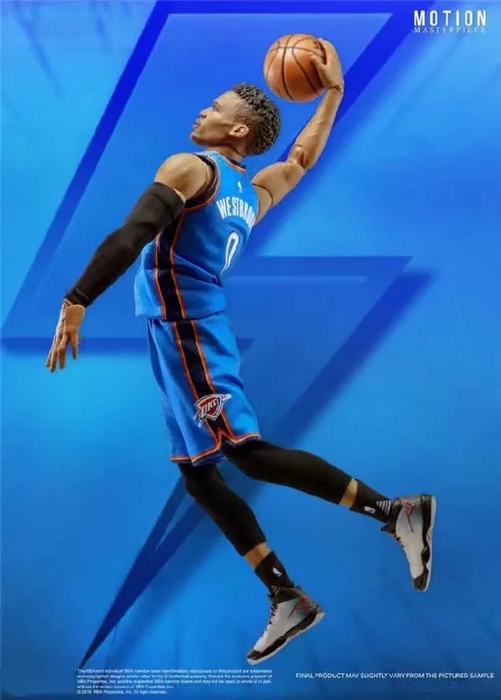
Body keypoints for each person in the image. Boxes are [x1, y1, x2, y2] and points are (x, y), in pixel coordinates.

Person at [46, 39, 436, 665]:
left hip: (190, 331)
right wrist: (334, 93)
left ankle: (396, 511)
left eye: (215, 106)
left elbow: (134, 232)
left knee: (244, 453)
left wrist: (78, 298)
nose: (202, 110)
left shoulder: (190, 169)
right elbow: (302, 158)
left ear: (238, 129)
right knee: (196, 472)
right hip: (173, 335)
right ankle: (286, 596)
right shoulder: (250, 193)